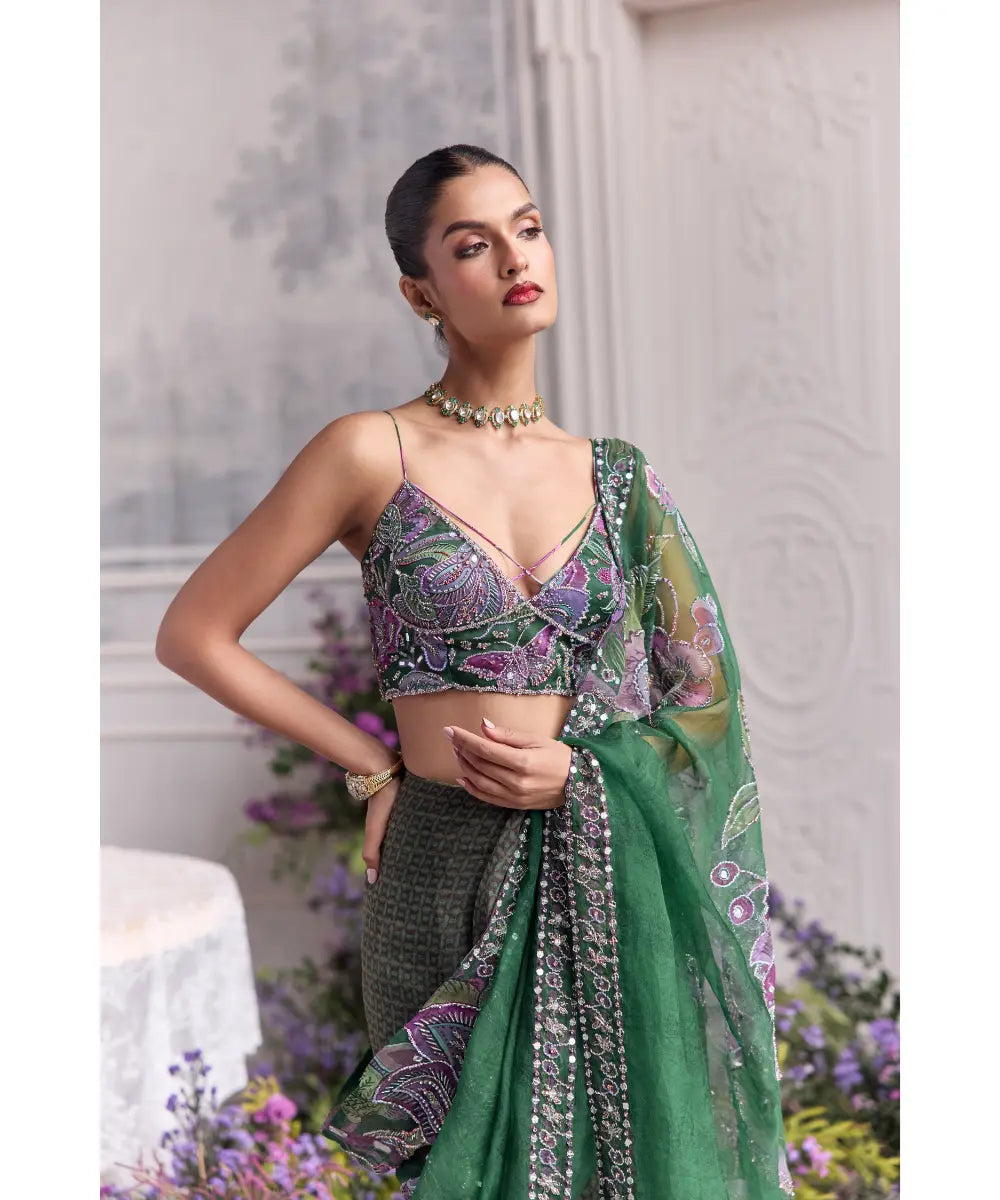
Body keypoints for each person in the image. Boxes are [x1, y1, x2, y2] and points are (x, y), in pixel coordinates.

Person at [155, 144, 795, 1199]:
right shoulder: (371, 452)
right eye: (472, 245)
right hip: (439, 870)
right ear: (421, 291)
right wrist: (369, 765)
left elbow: (705, 705)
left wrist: (586, 774)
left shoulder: (617, 479)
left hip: (598, 868)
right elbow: (195, 633)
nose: (513, 258)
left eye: (527, 229)